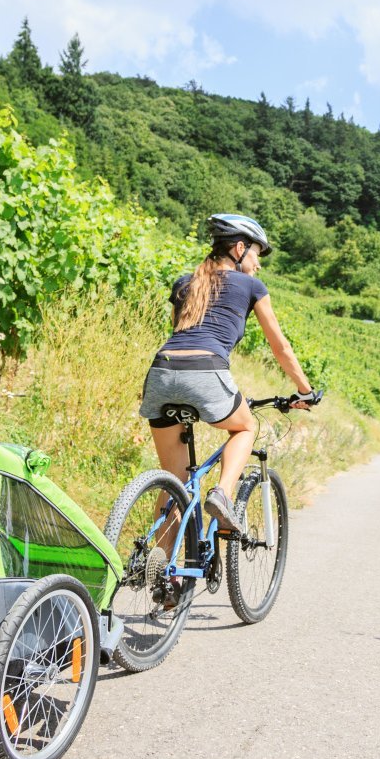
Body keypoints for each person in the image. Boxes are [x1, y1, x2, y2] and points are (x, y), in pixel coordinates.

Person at [138, 213, 319, 533]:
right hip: (205, 373)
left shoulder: (184, 282)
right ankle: (222, 495)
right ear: (239, 248)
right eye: (256, 254)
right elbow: (281, 348)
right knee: (245, 427)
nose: (259, 264)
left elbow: (180, 334)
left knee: (174, 482)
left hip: (161, 372)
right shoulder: (251, 286)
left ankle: (162, 570)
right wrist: (305, 391)